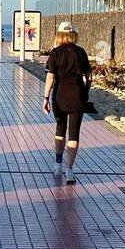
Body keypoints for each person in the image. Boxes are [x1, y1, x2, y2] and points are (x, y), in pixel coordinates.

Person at [42, 21, 92, 185]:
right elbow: (89, 77)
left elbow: (50, 76)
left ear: (59, 34)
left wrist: (46, 98)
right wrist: (85, 91)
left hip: (60, 94)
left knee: (60, 128)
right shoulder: (81, 52)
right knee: (74, 132)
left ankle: (58, 165)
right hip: (77, 94)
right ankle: (69, 170)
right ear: (74, 35)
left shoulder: (55, 53)